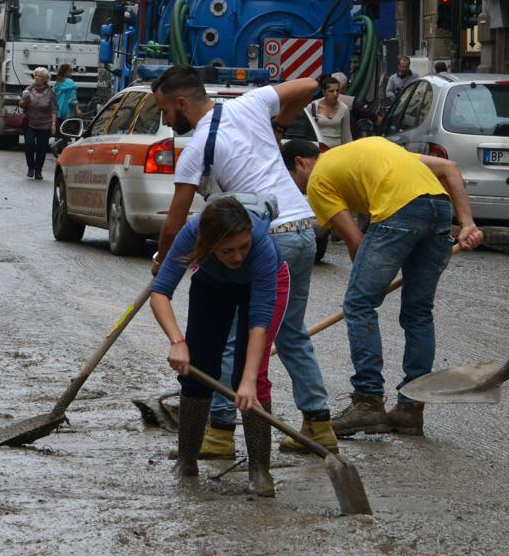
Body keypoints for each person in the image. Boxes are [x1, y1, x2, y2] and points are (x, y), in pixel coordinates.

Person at [151, 65, 334, 457]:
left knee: (237, 335)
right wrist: (278, 123)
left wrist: (163, 262)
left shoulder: (198, 148)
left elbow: (176, 220)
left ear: (182, 103)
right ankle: (318, 423)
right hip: (302, 228)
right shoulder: (249, 104)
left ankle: (219, 431)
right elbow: (309, 85)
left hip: (263, 238)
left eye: (166, 111)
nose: (167, 120)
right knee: (290, 332)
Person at [284, 138, 483, 437]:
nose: (297, 189)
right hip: (439, 209)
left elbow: (356, 242)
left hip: (398, 211)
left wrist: (368, 271)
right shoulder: (374, 148)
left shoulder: (318, 181)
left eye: (290, 178)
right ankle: (410, 409)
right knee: (418, 311)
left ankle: (368, 402)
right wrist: (467, 224)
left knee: (358, 304)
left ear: (301, 162)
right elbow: (449, 167)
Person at [151, 196, 287, 497]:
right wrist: (177, 342)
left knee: (249, 378)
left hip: (260, 288)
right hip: (212, 285)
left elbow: (259, 322)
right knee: (197, 368)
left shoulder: (261, 247)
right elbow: (160, 292)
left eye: (243, 247)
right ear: (209, 244)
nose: (238, 257)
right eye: (227, 250)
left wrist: (248, 382)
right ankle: (187, 461)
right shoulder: (192, 234)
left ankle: (260, 471)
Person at [19, 67, 56, 180]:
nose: (37, 78)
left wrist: (54, 125)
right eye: (36, 75)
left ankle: (38, 170)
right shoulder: (28, 90)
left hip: (44, 125)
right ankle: (31, 167)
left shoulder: (50, 93)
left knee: (42, 148)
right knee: (29, 144)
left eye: (40, 76)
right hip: (30, 123)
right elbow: (21, 104)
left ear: (45, 79)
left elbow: (54, 110)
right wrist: (25, 100)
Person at [307, 74, 352, 148]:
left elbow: (346, 135)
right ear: (324, 92)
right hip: (317, 149)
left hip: (336, 150)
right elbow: (307, 131)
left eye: (337, 90)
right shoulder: (313, 106)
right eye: (331, 91)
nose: (335, 94)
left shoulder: (344, 109)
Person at [53, 63, 78, 130]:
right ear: (67, 72)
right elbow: (72, 98)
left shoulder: (57, 82)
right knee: (66, 129)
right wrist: (77, 108)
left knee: (59, 128)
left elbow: (53, 95)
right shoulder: (70, 82)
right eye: (70, 72)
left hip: (58, 109)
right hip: (68, 109)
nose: (71, 73)